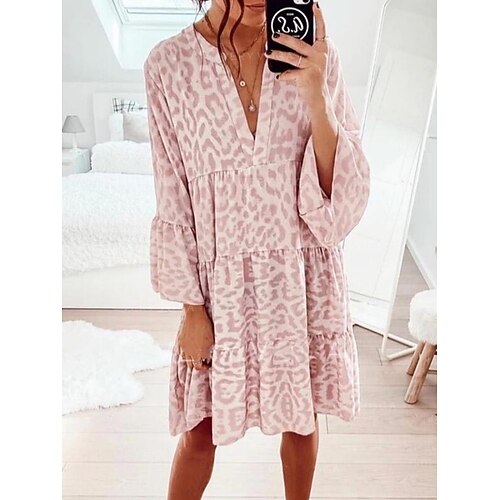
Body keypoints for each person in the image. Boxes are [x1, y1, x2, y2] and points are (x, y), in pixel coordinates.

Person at [144, 1, 370, 498]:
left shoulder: (315, 52)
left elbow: (338, 195)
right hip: (219, 288)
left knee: (301, 420)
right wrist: (191, 309)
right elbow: (172, 193)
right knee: (200, 430)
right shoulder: (168, 66)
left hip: (300, 277)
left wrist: (317, 95)